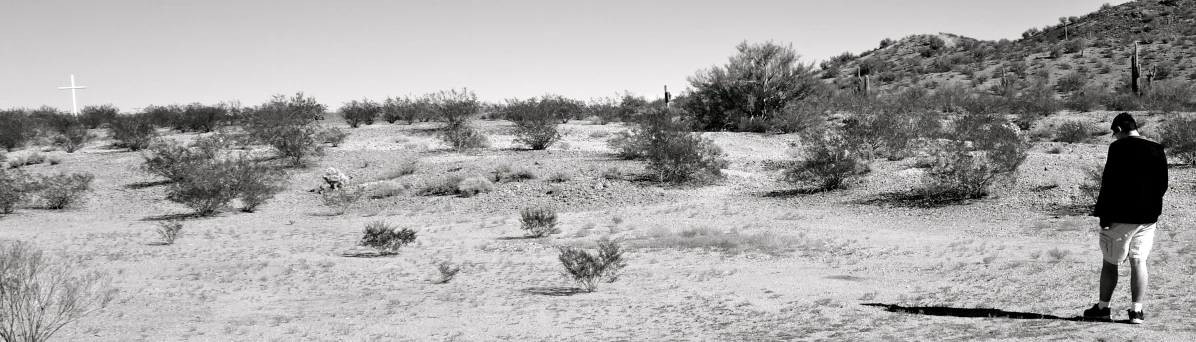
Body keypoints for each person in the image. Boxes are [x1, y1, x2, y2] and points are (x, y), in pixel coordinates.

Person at [1082, 113, 1168, 324]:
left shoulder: (1117, 148)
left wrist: (1102, 213)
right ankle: (1136, 311)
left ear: (1119, 129)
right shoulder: (1157, 148)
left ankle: (1103, 308)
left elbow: (1109, 182)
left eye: (1114, 133)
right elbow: (1162, 185)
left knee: (1110, 263)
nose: (1114, 137)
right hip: (1148, 218)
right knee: (1139, 261)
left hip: (1120, 217)